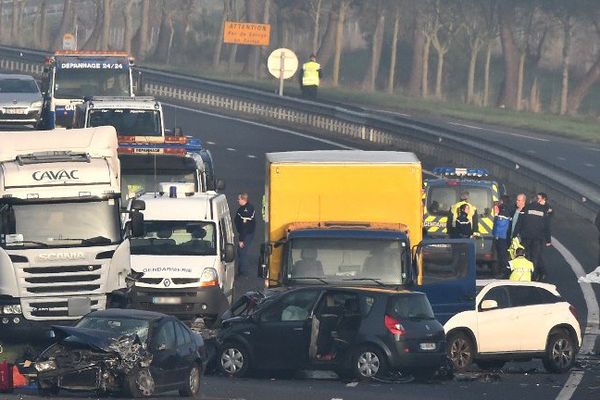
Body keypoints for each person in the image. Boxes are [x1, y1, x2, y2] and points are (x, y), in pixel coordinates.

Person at [514, 192, 552, 281]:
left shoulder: (525, 208)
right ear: (537, 200)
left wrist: (515, 235)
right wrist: (548, 240)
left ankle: (526, 274)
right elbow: (547, 226)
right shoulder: (543, 210)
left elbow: (519, 223)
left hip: (526, 237)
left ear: (530, 200)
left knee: (526, 256)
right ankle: (534, 276)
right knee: (535, 256)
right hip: (538, 238)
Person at [234, 192, 256, 276]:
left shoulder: (244, 211)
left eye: (239, 199)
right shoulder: (250, 207)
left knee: (242, 251)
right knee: (242, 252)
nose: (237, 200)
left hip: (246, 234)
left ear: (243, 199)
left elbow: (244, 227)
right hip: (249, 233)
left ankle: (242, 271)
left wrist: (241, 239)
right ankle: (242, 270)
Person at [492, 195, 512, 277]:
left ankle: (504, 272)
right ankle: (502, 271)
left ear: (502, 201)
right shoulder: (508, 209)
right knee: (502, 255)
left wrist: (496, 216)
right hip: (504, 236)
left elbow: (500, 225)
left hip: (501, 237)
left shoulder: (503, 210)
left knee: (502, 255)